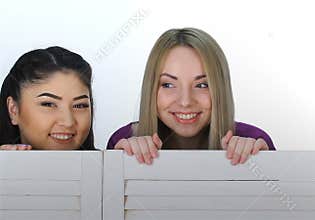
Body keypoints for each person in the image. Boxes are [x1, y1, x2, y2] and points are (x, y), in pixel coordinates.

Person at [107, 27, 274, 165]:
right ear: (151, 89)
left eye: (202, 85)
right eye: (168, 84)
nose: (185, 101)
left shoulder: (254, 141)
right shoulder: (124, 141)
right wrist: (118, 164)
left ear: (220, 90)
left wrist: (264, 163)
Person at [0, 46, 95, 150]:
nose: (68, 122)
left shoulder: (108, 163)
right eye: (48, 104)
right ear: (13, 110)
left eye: (79, 105)